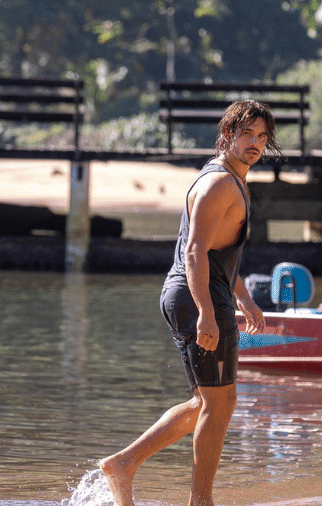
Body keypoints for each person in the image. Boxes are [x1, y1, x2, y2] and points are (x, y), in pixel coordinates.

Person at [99, 100, 279, 506]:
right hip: (197, 297)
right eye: (246, 134)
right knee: (221, 403)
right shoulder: (220, 183)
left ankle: (124, 464)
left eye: (261, 137)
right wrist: (207, 315)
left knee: (206, 401)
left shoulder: (229, 177)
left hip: (198, 293)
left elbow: (217, 253)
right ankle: (201, 501)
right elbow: (195, 252)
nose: (254, 143)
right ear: (227, 134)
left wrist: (245, 299)